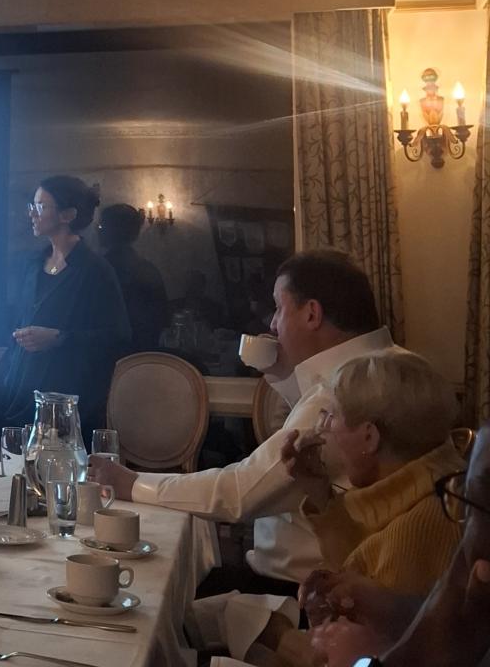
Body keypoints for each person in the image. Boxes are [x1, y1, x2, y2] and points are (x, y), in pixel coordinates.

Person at [90, 248, 392, 590]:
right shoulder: (384, 367)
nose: (272, 323)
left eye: (279, 308)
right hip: (332, 576)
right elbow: (313, 435)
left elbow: (239, 493)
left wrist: (132, 483)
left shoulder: (339, 393)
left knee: (148, 589)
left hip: (298, 588)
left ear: (311, 314)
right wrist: (282, 375)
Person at [301, 424, 490, 667]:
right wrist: (393, 608)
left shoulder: (423, 522)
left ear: (370, 435)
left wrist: (368, 659)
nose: (323, 427)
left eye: (473, 506)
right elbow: (440, 622)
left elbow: (441, 645)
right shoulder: (466, 550)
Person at [282, 350, 463, 596]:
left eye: (332, 416)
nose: (325, 428)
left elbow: (364, 614)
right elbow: (359, 563)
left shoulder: (418, 529)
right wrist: (320, 493)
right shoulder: (432, 485)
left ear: (369, 437)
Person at [0, 175, 131, 438]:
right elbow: (21, 320)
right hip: (20, 385)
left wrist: (59, 338)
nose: (32, 214)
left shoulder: (95, 270)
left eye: (40, 206)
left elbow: (118, 336)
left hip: (64, 395)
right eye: (32, 206)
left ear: (67, 215)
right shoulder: (33, 264)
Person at [97, 203, 169, 351]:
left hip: (108, 352)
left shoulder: (98, 269)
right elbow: (163, 318)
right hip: (144, 353)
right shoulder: (148, 268)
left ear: (110, 230)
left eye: (101, 226)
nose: (98, 231)